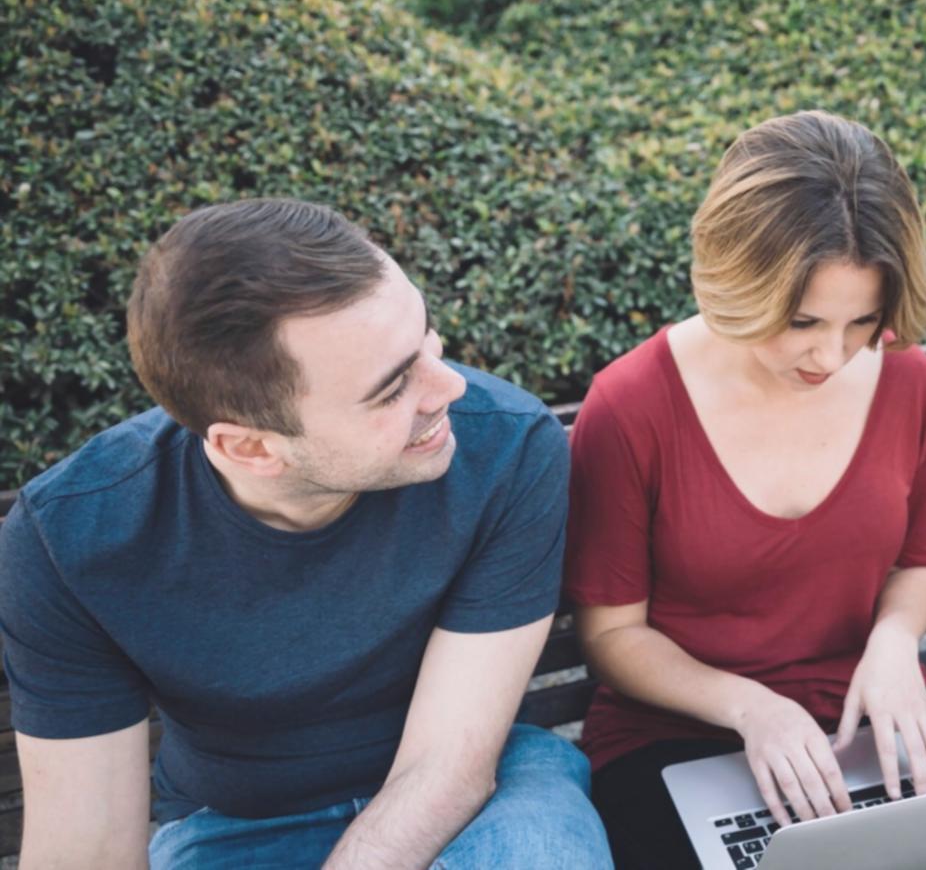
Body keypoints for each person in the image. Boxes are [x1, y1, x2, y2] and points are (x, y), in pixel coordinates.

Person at [0, 199, 613, 869]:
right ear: (252, 449)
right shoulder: (71, 540)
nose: (451, 386)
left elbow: (450, 767)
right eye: (390, 389)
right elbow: (85, 852)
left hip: (489, 793)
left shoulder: (506, 450)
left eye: (427, 337)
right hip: (237, 824)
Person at [562, 111, 926, 869]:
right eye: (802, 319)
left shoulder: (907, 378)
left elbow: (917, 563)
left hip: (865, 715)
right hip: (677, 732)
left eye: (863, 321)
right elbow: (612, 636)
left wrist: (894, 642)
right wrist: (752, 708)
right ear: (739, 279)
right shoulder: (631, 407)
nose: (832, 354)